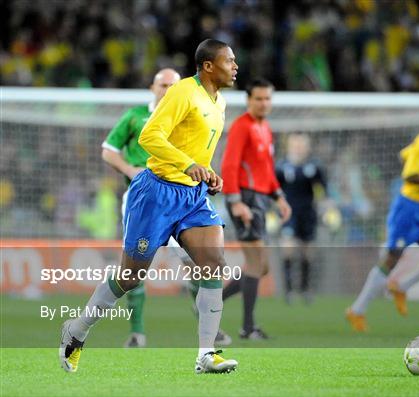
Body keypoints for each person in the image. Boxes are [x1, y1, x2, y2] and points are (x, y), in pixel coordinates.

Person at [59, 39, 239, 374]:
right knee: (130, 276)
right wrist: (186, 165)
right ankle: (78, 329)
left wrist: (208, 172)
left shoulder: (220, 103)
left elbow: (197, 150)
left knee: (213, 264)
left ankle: (206, 353)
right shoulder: (184, 92)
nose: (235, 65)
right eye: (229, 60)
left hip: (192, 197)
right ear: (208, 66)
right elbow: (150, 137)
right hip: (155, 193)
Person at [346, 108, 419, 332]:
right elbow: (409, 175)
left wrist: (412, 157)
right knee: (392, 259)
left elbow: (404, 155)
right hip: (408, 209)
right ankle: (356, 310)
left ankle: (402, 287)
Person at [101, 68, 180, 348]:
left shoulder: (186, 118)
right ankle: (137, 332)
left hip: (178, 199)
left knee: (196, 262)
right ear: (152, 87)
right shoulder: (135, 116)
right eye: (163, 85)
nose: (168, 90)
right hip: (140, 199)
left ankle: (209, 333)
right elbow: (108, 149)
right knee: (135, 266)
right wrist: (129, 169)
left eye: (174, 86)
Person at [220, 78, 292, 340]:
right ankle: (248, 327)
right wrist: (236, 201)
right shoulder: (242, 126)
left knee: (261, 267)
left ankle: (210, 301)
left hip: (260, 198)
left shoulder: (266, 128)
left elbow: (267, 170)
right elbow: (229, 164)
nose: (263, 103)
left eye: (267, 98)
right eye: (258, 99)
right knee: (256, 263)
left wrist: (279, 197)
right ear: (248, 101)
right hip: (245, 198)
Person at [275, 133, 327, 304]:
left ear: (307, 147)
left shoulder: (315, 166)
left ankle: (305, 289)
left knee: (307, 252)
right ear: (289, 147)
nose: (299, 148)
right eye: (295, 145)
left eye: (302, 145)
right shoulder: (281, 167)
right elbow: (274, 191)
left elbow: (323, 191)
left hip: (308, 213)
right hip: (288, 213)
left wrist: (328, 208)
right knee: (288, 248)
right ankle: (289, 290)